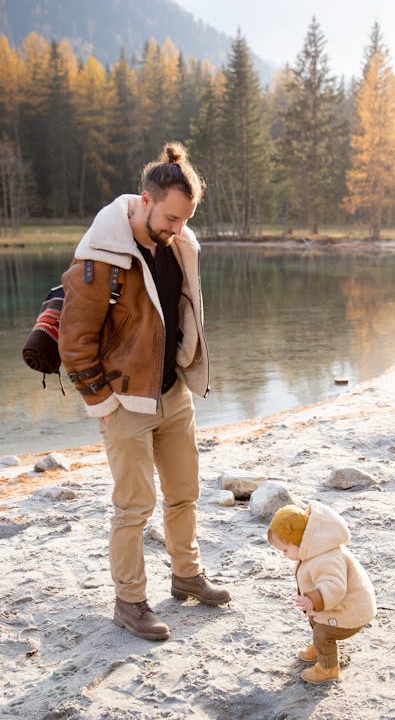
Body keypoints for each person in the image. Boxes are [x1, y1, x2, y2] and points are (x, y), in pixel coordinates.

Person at [59, 142, 231, 642]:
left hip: (172, 393)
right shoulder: (100, 256)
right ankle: (130, 602)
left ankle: (186, 577)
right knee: (133, 508)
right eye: (172, 218)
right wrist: (104, 405)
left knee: (184, 494)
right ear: (145, 199)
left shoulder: (178, 242)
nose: (178, 229)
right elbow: (74, 344)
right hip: (125, 403)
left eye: (185, 220)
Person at [268, 501, 376, 684]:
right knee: (315, 620)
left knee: (323, 633)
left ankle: (328, 669)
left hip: (350, 611)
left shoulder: (326, 557)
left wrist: (313, 600)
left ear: (299, 541)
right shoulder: (314, 549)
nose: (284, 555)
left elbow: (334, 586)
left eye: (285, 550)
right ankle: (320, 649)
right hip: (339, 605)